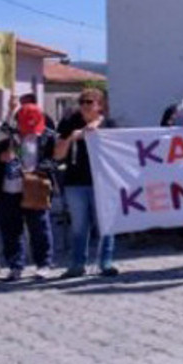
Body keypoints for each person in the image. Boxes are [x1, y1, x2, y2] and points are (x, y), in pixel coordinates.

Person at [0, 102, 57, 280]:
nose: (30, 131)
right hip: (6, 190)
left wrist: (39, 169)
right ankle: (15, 266)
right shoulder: (4, 135)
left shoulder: (48, 136)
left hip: (35, 187)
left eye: (33, 127)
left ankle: (43, 264)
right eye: (26, 127)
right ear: (17, 122)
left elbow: (56, 160)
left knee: (40, 228)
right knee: (10, 230)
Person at [55, 87, 119, 278]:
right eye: (82, 102)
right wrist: (71, 138)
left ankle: (106, 262)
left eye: (89, 102)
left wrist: (97, 128)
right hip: (76, 182)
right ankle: (77, 264)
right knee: (79, 226)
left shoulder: (110, 125)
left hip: (102, 182)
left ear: (99, 105)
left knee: (106, 225)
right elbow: (58, 155)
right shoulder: (69, 123)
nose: (84, 106)